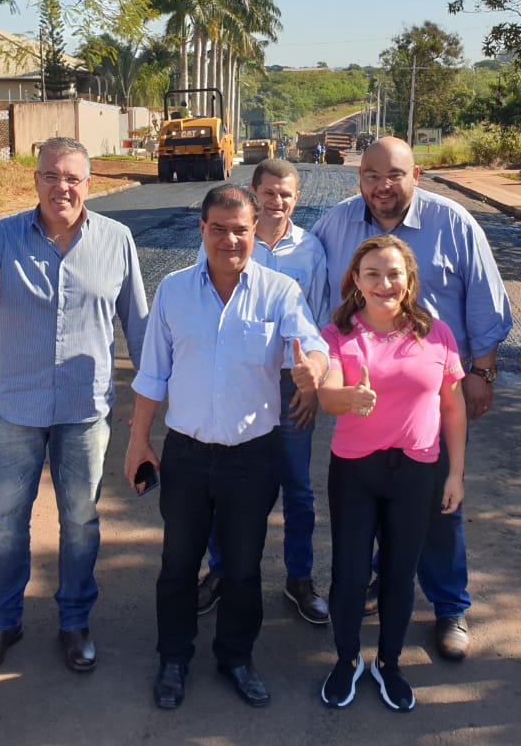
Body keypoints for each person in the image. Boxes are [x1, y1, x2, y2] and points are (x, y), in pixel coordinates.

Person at [0, 137, 148, 674]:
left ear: (89, 183)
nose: (63, 187)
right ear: (35, 179)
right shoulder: (3, 236)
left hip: (85, 409)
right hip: (17, 407)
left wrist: (150, 402)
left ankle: (74, 621)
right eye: (52, 175)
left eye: (73, 177)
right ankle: (4, 620)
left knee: (80, 521)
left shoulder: (117, 239)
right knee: (8, 522)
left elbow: (139, 324)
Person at [124, 185, 329, 711]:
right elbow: (152, 375)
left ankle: (236, 657)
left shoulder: (279, 292)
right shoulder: (171, 291)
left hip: (251, 460)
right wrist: (138, 441)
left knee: (241, 568)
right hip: (187, 455)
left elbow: (314, 348)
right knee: (177, 564)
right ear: (202, 230)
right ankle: (173, 657)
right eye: (218, 228)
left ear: (254, 231)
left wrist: (314, 374)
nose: (230, 239)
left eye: (241, 229)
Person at [310, 136, 511, 660]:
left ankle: (450, 607)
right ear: (359, 178)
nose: (382, 186)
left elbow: (487, 304)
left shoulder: (454, 223)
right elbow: (309, 296)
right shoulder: (334, 225)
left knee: (438, 508)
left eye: (394, 175)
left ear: (416, 176)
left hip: (431, 396)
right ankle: (379, 584)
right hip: (365, 400)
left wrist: (481, 374)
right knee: (370, 502)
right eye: (371, 175)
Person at [317, 235, 466, 711]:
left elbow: (453, 406)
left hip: (417, 471)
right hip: (355, 470)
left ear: (409, 281)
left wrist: (455, 473)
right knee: (351, 572)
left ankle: (389, 663)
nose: (384, 283)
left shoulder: (436, 333)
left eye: (394, 274)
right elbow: (327, 394)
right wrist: (349, 399)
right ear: (356, 282)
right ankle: (346, 660)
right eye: (373, 274)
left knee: (401, 575)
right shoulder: (339, 334)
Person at [195, 158, 331, 624]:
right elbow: (204, 302)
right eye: (268, 193)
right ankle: (220, 572)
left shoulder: (311, 251)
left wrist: (313, 382)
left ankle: (299, 578)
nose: (277, 202)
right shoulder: (226, 241)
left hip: (292, 386)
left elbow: (321, 324)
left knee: (297, 486)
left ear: (297, 198)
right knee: (224, 481)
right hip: (239, 381)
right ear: (254, 194)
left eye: (286, 194)